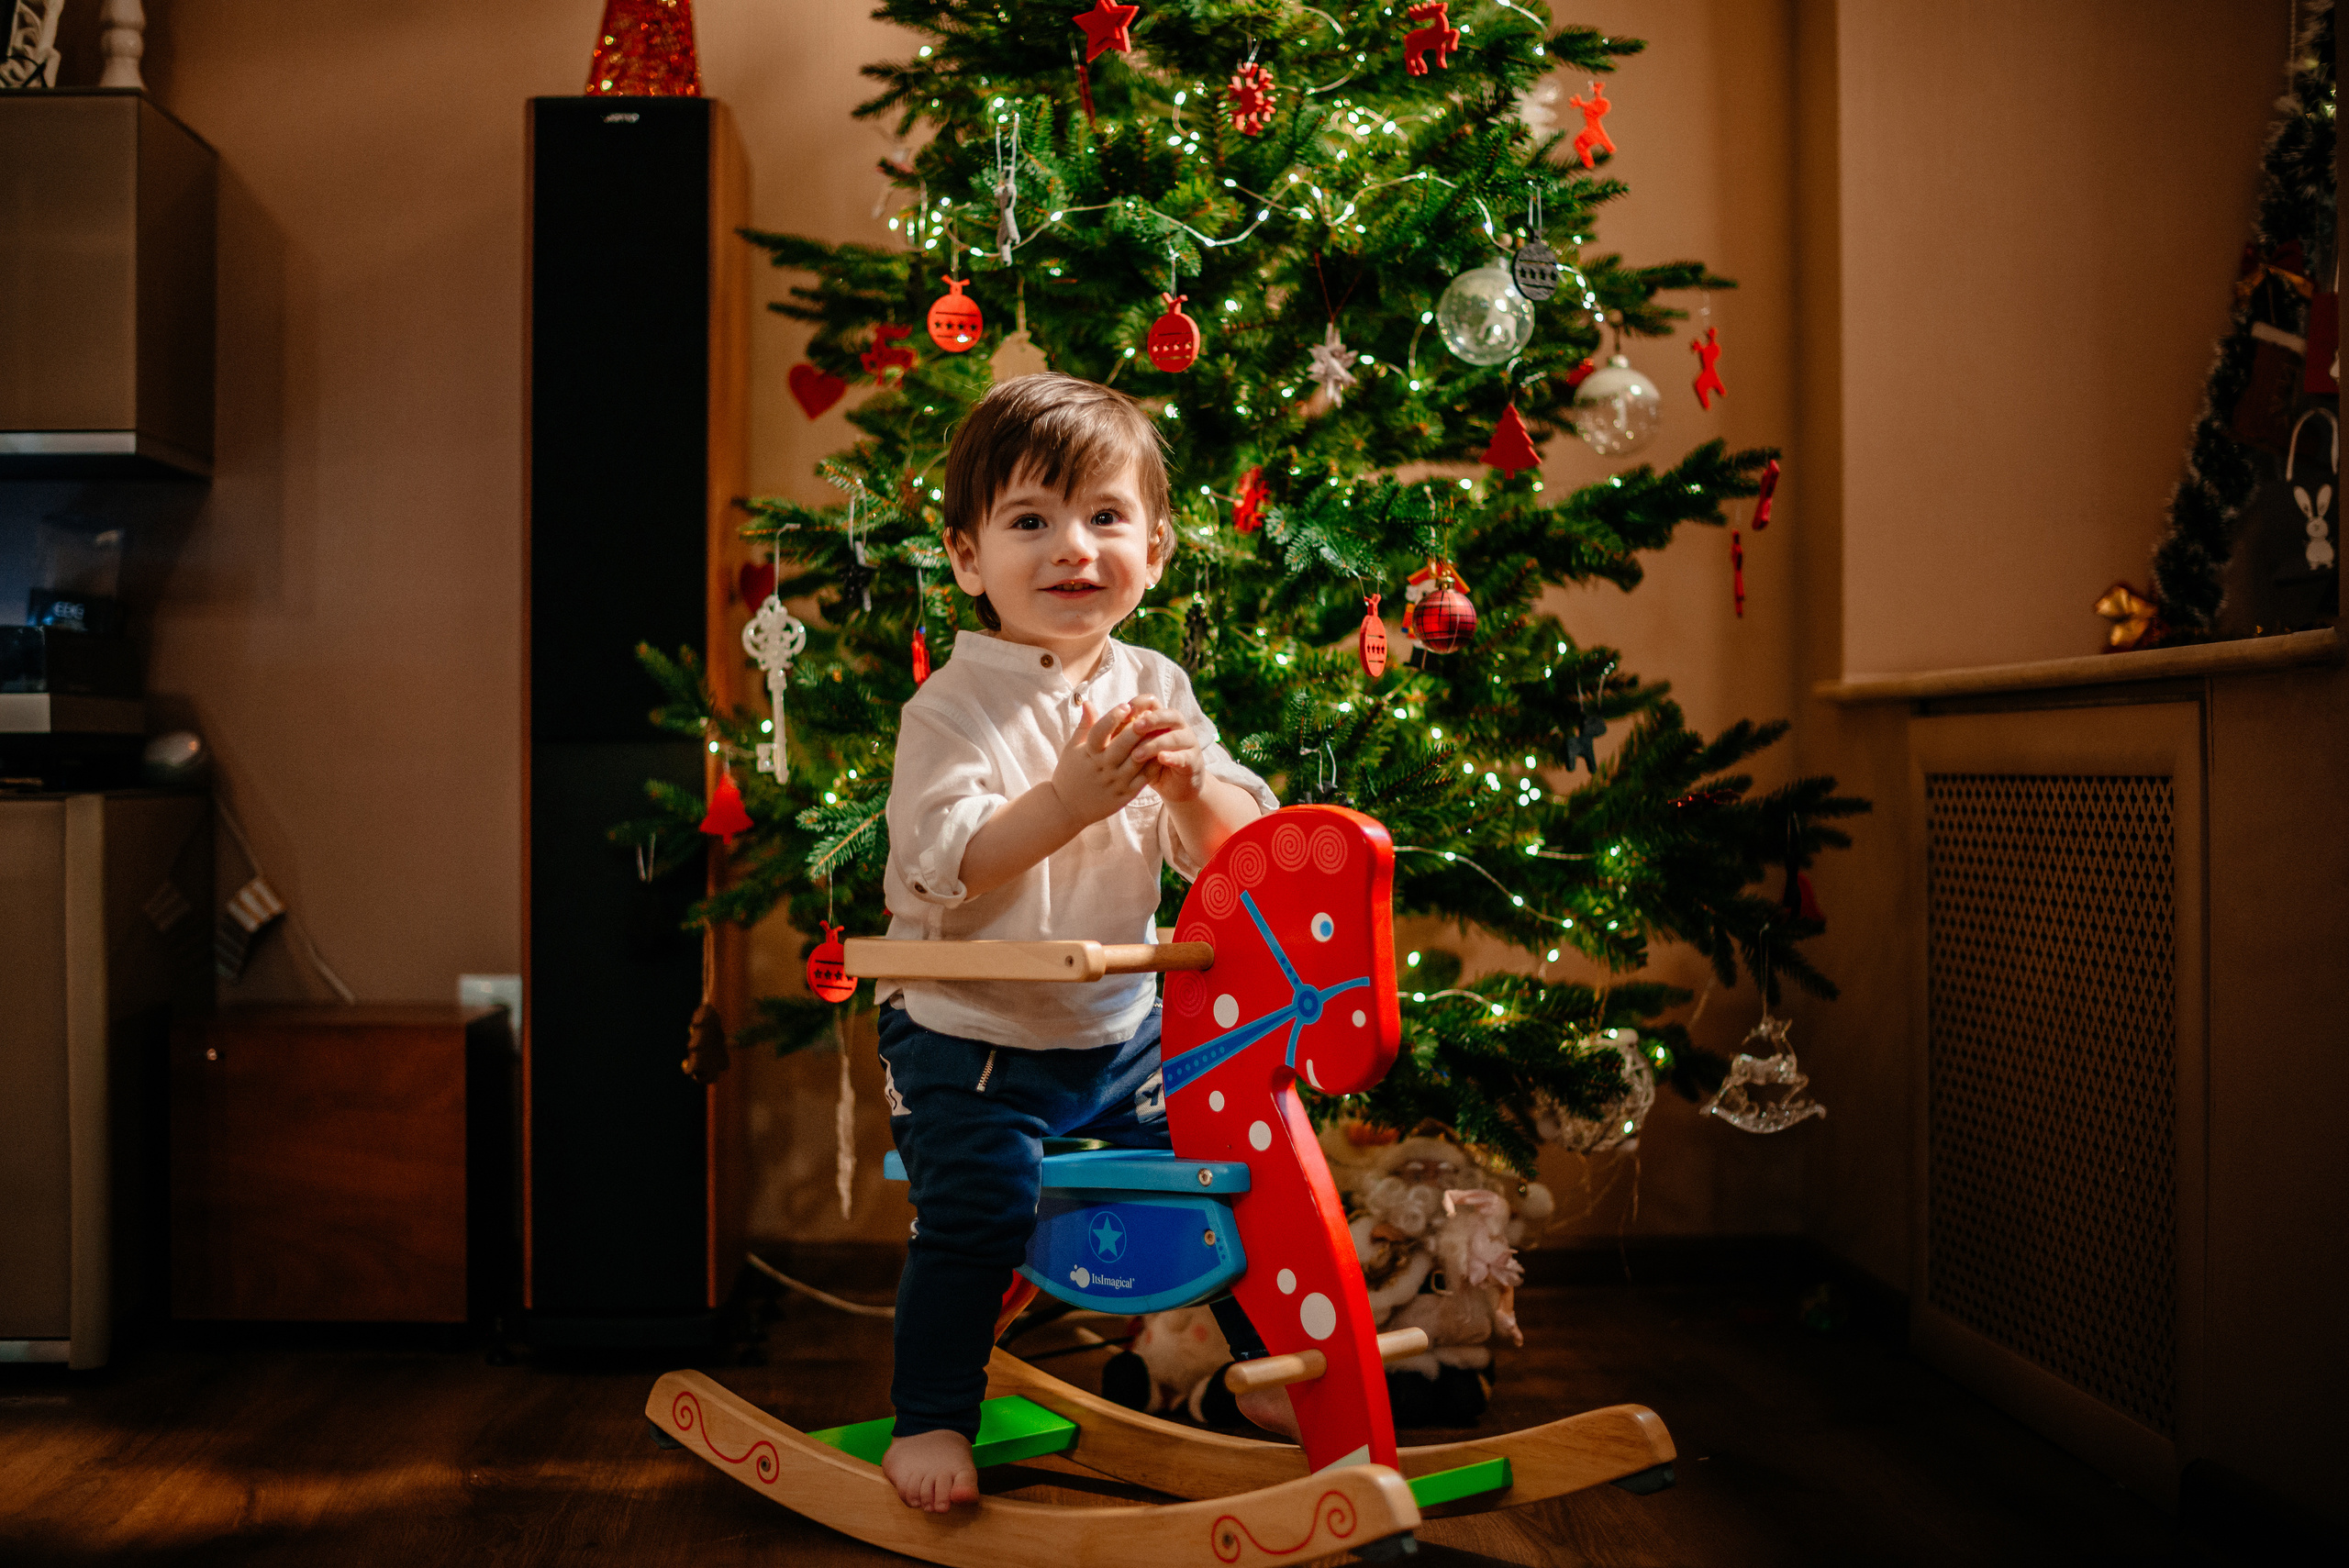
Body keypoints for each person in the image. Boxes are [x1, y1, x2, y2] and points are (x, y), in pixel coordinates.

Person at [875, 374, 1284, 1512]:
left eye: (1105, 516)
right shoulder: (949, 707)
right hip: (971, 1038)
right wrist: (1064, 799)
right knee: (977, 1215)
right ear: (967, 558)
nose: (1073, 547)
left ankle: (1267, 1372)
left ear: (1154, 547)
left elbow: (1229, 854)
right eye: (1029, 521)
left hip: (1114, 1032)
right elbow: (935, 866)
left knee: (1227, 1181)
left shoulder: (1157, 685)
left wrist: (1195, 783)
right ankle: (933, 1418)